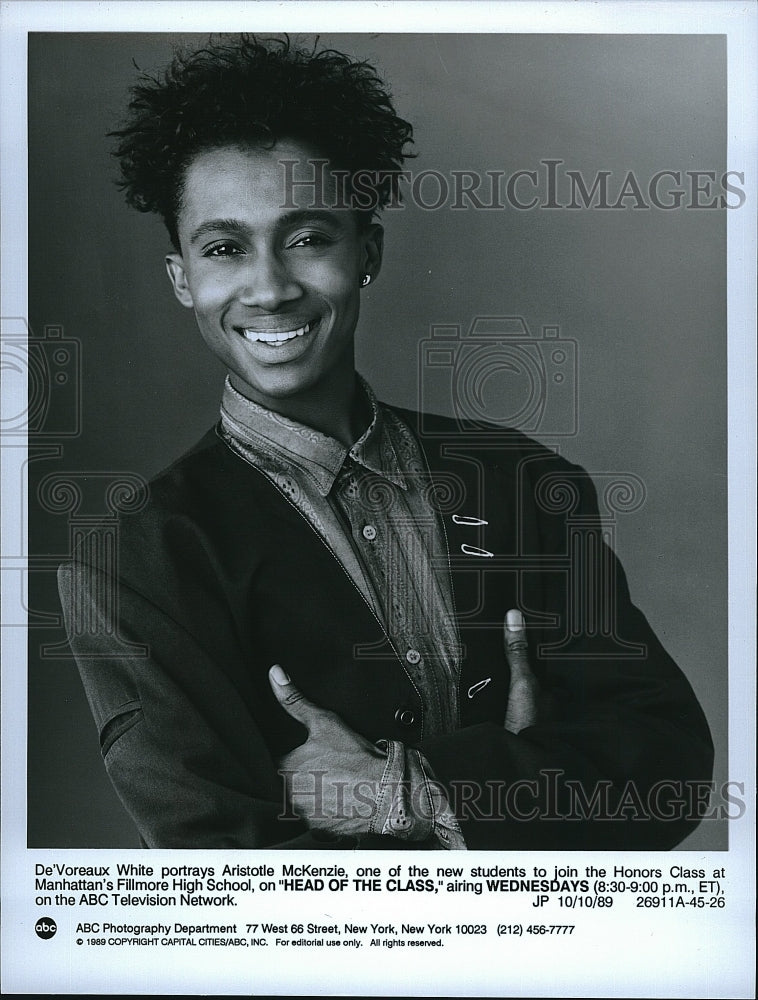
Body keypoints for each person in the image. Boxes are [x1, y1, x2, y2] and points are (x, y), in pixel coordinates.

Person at [58, 35, 713, 850]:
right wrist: (524, 776)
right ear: (182, 277)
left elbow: (666, 768)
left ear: (367, 251)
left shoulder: (524, 482)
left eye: (308, 238)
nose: (269, 287)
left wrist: (405, 792)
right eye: (224, 248)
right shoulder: (132, 561)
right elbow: (218, 880)